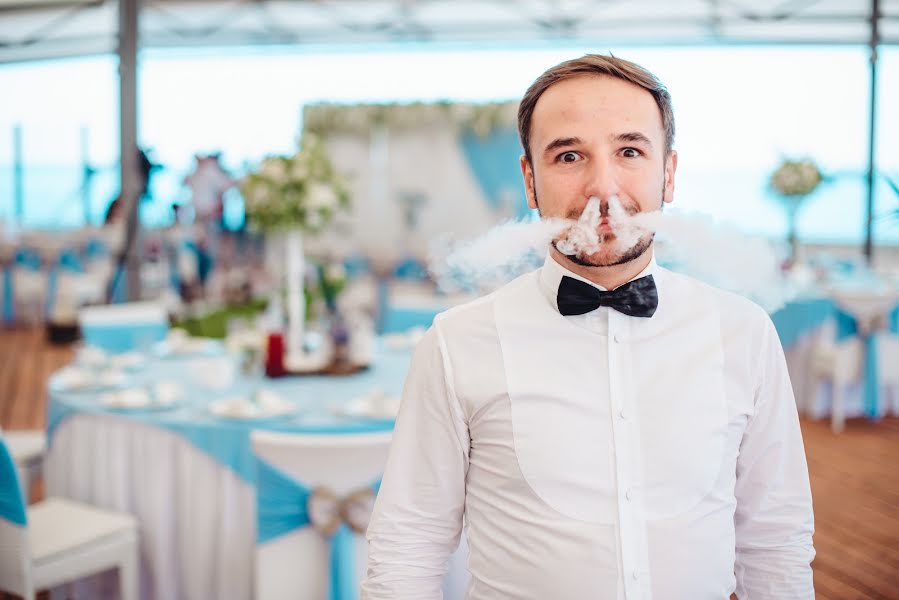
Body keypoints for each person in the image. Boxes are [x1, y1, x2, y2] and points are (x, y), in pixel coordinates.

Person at [361, 54, 815, 599]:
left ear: (667, 173)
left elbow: (775, 543)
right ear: (530, 181)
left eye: (629, 151)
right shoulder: (457, 345)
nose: (603, 187)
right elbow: (406, 547)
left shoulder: (744, 333)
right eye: (570, 156)